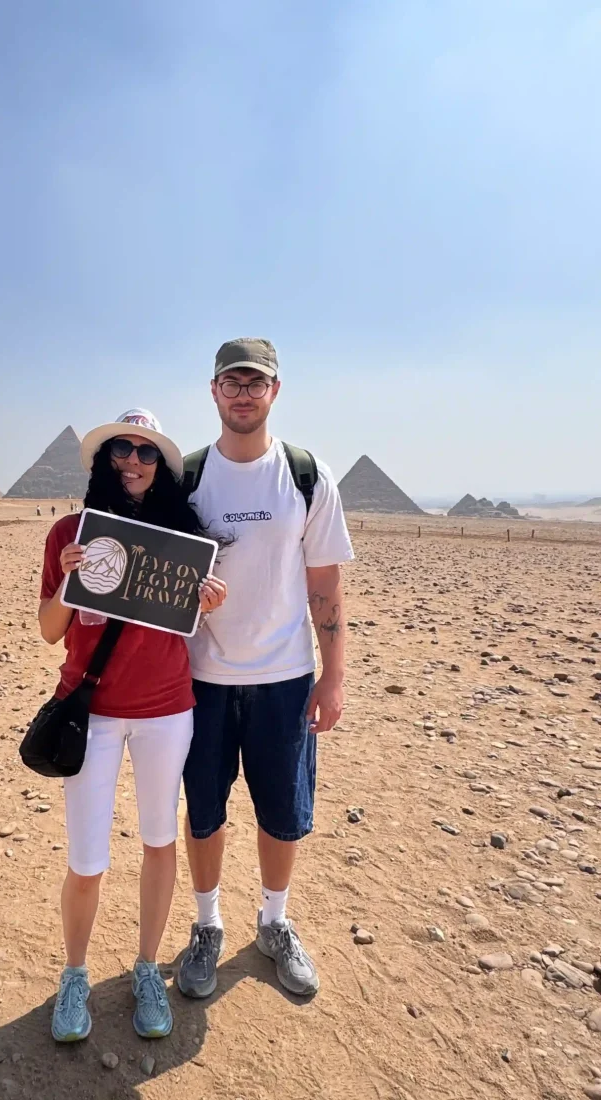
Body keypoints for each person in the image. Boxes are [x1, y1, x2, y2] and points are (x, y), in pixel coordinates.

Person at [38, 409, 227, 1043]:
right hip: (90, 713)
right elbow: (48, 631)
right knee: (87, 857)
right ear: (103, 457)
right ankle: (74, 975)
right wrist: (68, 578)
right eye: (122, 448)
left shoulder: (182, 536)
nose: (133, 462)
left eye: (147, 454)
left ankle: (147, 967)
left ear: (162, 468)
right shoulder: (71, 532)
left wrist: (206, 602)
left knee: (156, 841)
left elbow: (187, 629)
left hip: (166, 711)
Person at [176, 338, 354, 1000]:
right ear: (214, 390)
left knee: (283, 812)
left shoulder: (308, 476)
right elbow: (158, 575)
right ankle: (207, 925)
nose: (244, 392)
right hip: (201, 681)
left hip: (283, 680)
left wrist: (332, 676)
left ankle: (274, 923)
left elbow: (325, 586)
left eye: (257, 382)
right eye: (232, 382)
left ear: (275, 391)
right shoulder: (187, 479)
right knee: (204, 812)